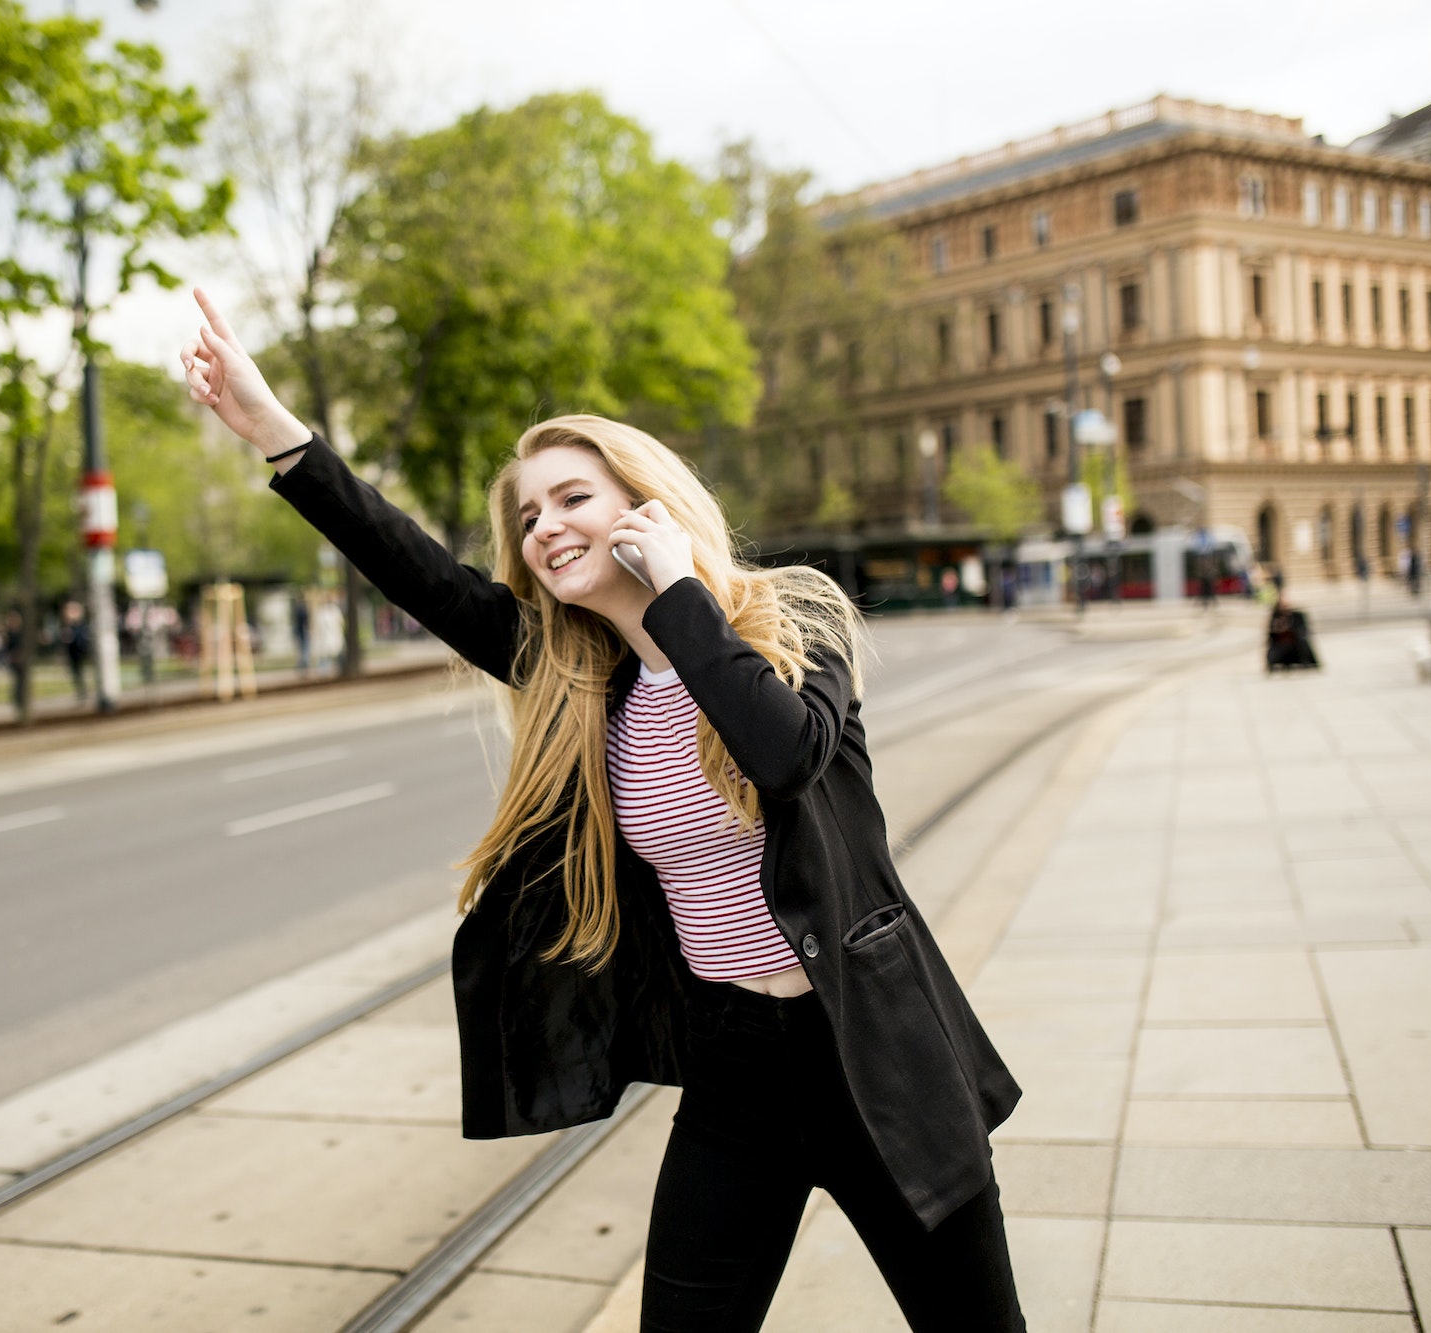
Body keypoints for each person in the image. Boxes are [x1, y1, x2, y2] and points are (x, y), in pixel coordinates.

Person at [180, 289, 1025, 1331]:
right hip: (734, 1073)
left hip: (875, 1061)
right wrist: (278, 435)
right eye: (527, 517)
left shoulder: (790, 621)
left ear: (643, 499)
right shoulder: (584, 678)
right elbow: (423, 575)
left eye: (570, 498)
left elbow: (781, 753)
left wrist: (678, 595)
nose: (542, 529)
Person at [59, 600, 90, 703]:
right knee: (76, 674)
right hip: (73, 654)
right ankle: (81, 693)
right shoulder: (69, 626)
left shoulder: (78, 626)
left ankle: (83, 693)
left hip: (78, 653)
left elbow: (80, 640)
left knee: (79, 673)